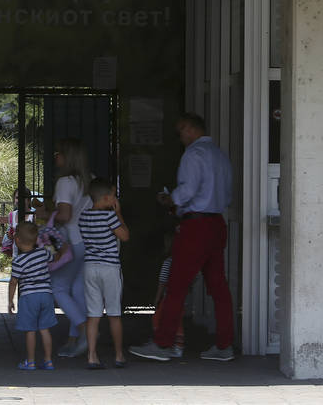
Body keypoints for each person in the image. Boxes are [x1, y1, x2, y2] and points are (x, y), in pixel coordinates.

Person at [130, 112, 235, 363]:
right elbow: (227, 194)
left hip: (195, 225)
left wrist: (170, 200)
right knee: (219, 287)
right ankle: (224, 344)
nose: (180, 136)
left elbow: (187, 190)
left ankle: (163, 342)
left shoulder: (193, 155)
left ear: (190, 129)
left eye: (181, 130)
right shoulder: (220, 156)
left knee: (176, 285)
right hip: (216, 222)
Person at [44, 138, 94, 358]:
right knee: (77, 290)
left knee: (58, 288)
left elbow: (65, 215)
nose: (56, 156)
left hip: (71, 241)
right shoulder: (89, 180)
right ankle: (75, 340)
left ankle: (85, 330)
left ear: (67, 157)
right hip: (89, 241)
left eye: (58, 152)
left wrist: (43, 215)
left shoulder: (65, 182)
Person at [79, 177, 130, 369]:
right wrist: (119, 214)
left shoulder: (83, 217)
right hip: (109, 267)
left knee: (93, 315)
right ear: (108, 198)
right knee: (114, 313)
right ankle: (118, 355)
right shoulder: (109, 217)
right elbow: (125, 236)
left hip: (90, 267)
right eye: (114, 196)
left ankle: (92, 356)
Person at [8, 222, 65, 370]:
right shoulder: (43, 253)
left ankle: (31, 361)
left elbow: (13, 282)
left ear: (17, 240)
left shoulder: (18, 261)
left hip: (29, 297)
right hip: (46, 295)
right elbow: (56, 257)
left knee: (30, 330)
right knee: (45, 329)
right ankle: (48, 361)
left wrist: (10, 301)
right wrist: (57, 247)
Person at [151, 231, 184, 354]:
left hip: (168, 297)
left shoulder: (168, 262)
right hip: (180, 297)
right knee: (177, 320)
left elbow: (162, 283)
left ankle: (163, 343)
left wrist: (156, 300)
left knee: (157, 318)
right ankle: (178, 345)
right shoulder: (182, 262)